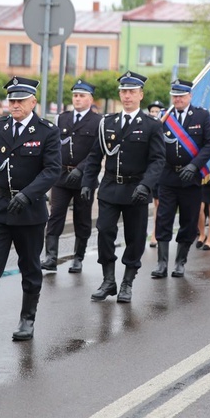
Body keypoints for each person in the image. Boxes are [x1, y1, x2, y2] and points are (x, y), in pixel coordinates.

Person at [0, 76, 61, 341]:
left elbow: (52, 170)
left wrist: (28, 195)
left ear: (33, 101)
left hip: (30, 212)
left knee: (30, 266)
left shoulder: (46, 131)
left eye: (20, 100)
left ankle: (27, 321)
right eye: (12, 100)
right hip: (1, 207)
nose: (14, 105)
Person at [81, 71, 165, 302]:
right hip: (110, 187)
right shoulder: (107, 122)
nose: (127, 96)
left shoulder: (151, 125)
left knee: (135, 237)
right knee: (105, 232)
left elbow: (158, 160)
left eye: (132, 92)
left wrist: (146, 185)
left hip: (136, 190)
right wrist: (88, 182)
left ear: (141, 95)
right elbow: (94, 155)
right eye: (124, 92)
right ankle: (109, 280)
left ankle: (127, 282)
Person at [151, 79, 210, 279]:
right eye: (175, 95)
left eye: (181, 95)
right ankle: (162, 264)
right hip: (168, 176)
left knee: (188, 220)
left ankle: (180, 262)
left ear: (189, 96)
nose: (177, 99)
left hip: (191, 178)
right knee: (164, 219)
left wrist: (194, 165)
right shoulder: (163, 117)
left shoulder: (202, 116)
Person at [41, 79, 102, 273]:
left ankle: (78, 257)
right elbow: (54, 145)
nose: (77, 99)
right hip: (61, 176)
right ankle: (51, 256)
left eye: (82, 95)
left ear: (90, 99)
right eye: (75, 95)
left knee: (82, 218)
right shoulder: (62, 118)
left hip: (85, 178)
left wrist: (81, 169)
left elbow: (97, 151)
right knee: (55, 215)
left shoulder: (98, 121)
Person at [147, 100, 165, 247]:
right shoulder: (148, 126)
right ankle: (155, 231)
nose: (154, 114)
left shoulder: (166, 127)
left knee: (160, 204)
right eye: (152, 111)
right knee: (156, 203)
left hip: (164, 171)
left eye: (156, 111)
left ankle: (156, 233)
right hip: (151, 171)